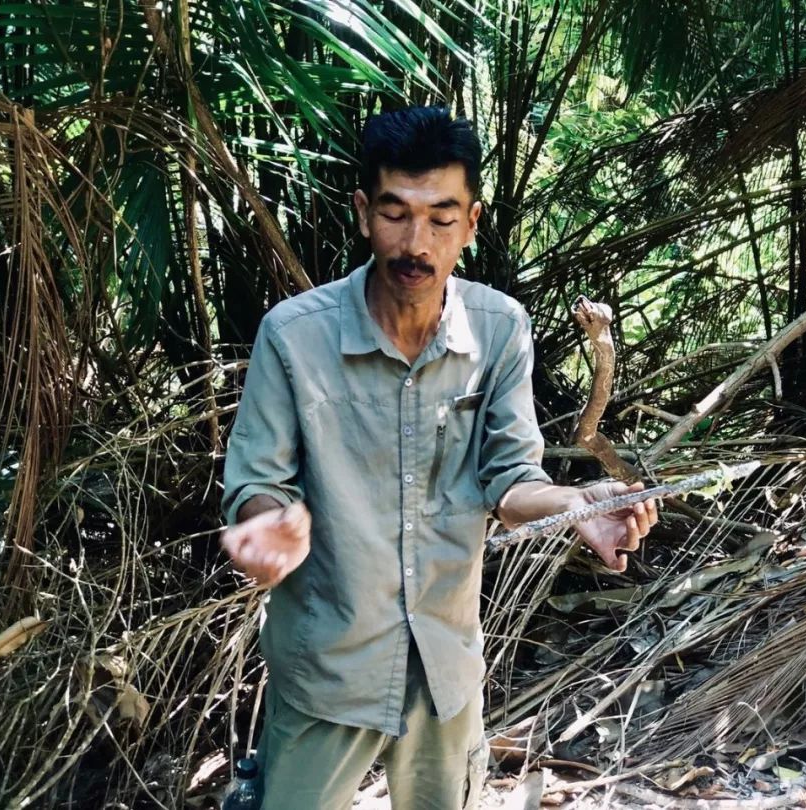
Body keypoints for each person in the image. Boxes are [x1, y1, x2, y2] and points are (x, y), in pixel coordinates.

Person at [219, 105, 658, 810]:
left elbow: (512, 477)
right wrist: (265, 528)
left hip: (444, 664)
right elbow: (256, 486)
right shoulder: (293, 338)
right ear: (363, 212)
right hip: (328, 664)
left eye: (441, 218)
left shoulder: (499, 328)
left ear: (473, 222)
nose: (415, 243)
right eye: (395, 213)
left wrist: (576, 507)